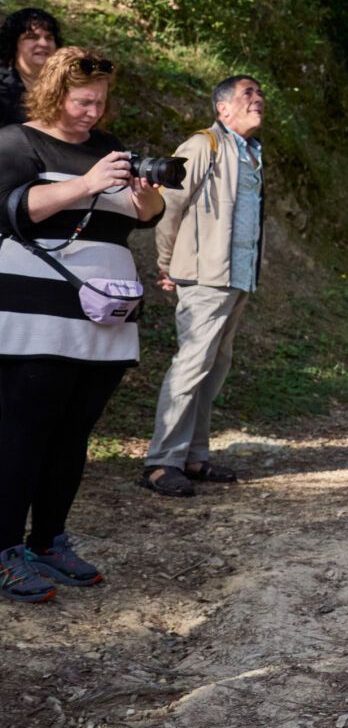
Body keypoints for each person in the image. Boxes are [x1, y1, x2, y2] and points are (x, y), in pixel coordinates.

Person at [0, 47, 162, 601]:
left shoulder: (110, 149)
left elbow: (141, 219)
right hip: (33, 314)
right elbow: (11, 210)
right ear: (54, 93)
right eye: (82, 100)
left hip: (106, 315)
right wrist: (86, 182)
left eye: (100, 102)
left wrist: (146, 198)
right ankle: (4, 552)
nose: (94, 112)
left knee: (72, 434)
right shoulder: (17, 142)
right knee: (22, 433)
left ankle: (48, 541)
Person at [141, 75, 267, 498]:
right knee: (192, 365)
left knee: (213, 368)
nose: (258, 100)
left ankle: (193, 456)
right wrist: (166, 264)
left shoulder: (250, 152)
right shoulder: (203, 146)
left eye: (259, 93)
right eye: (248, 94)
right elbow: (167, 204)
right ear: (222, 109)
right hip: (203, 275)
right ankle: (162, 462)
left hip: (236, 277)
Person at [0, 8, 63, 128]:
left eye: (49, 38)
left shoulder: (66, 85)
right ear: (14, 44)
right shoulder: (2, 87)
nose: (44, 44)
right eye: (32, 37)